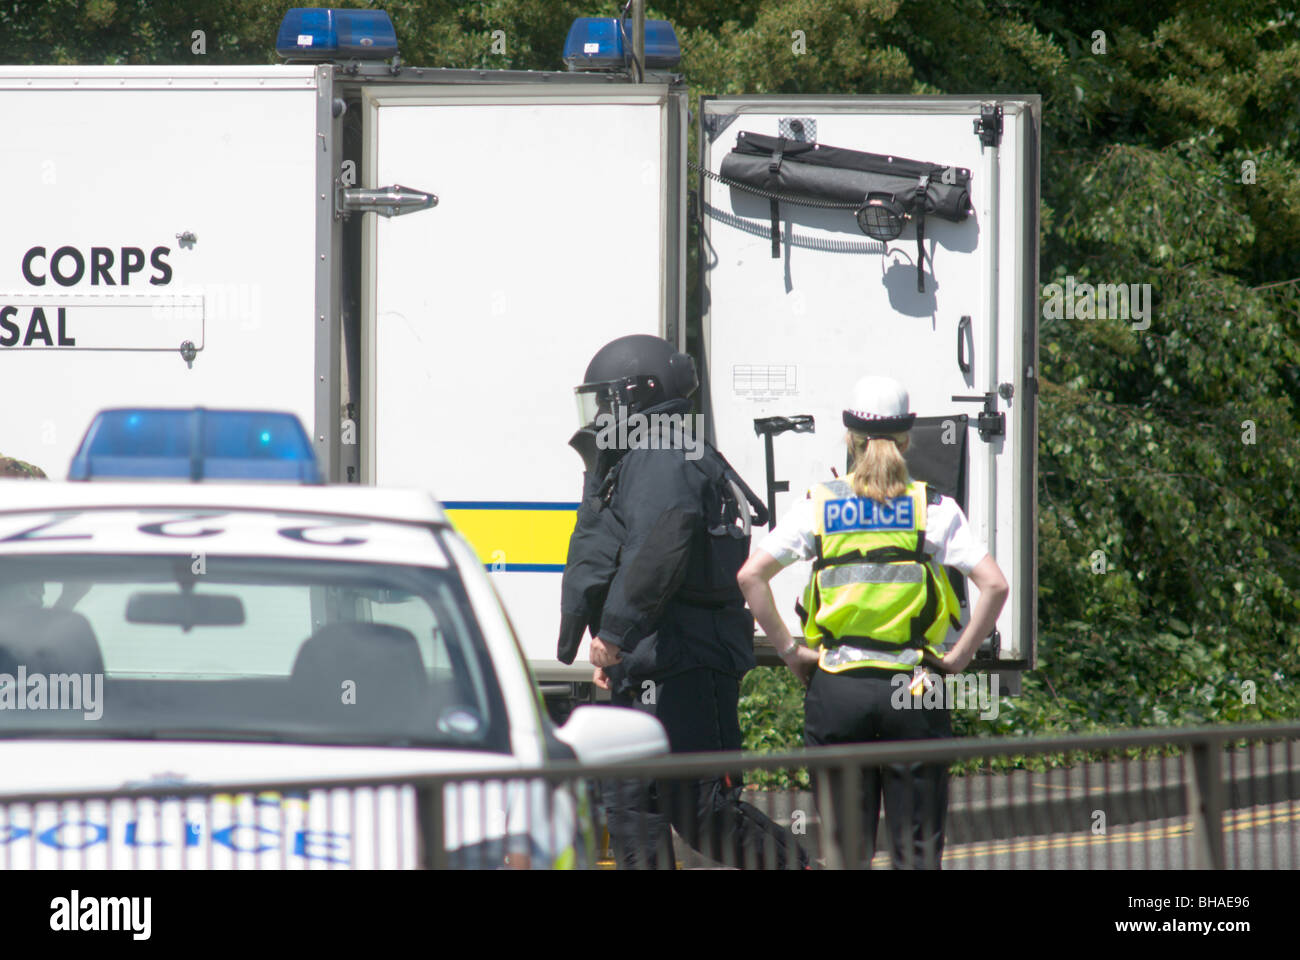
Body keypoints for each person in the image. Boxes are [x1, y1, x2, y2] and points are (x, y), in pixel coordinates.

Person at [557, 334, 807, 870]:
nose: (599, 413)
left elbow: (658, 551)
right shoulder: (651, 454)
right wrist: (618, 651)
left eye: (606, 399)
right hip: (653, 662)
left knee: (704, 810)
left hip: (688, 664)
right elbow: (630, 553)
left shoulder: (665, 454)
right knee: (632, 808)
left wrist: (615, 635)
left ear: (637, 395)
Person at [738, 375, 1009, 869]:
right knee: (917, 852)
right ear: (907, 440)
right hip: (915, 689)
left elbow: (751, 576)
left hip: (838, 690)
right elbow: (995, 585)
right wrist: (955, 663)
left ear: (850, 438)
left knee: (846, 853)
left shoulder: (819, 505)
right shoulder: (933, 508)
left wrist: (790, 652)